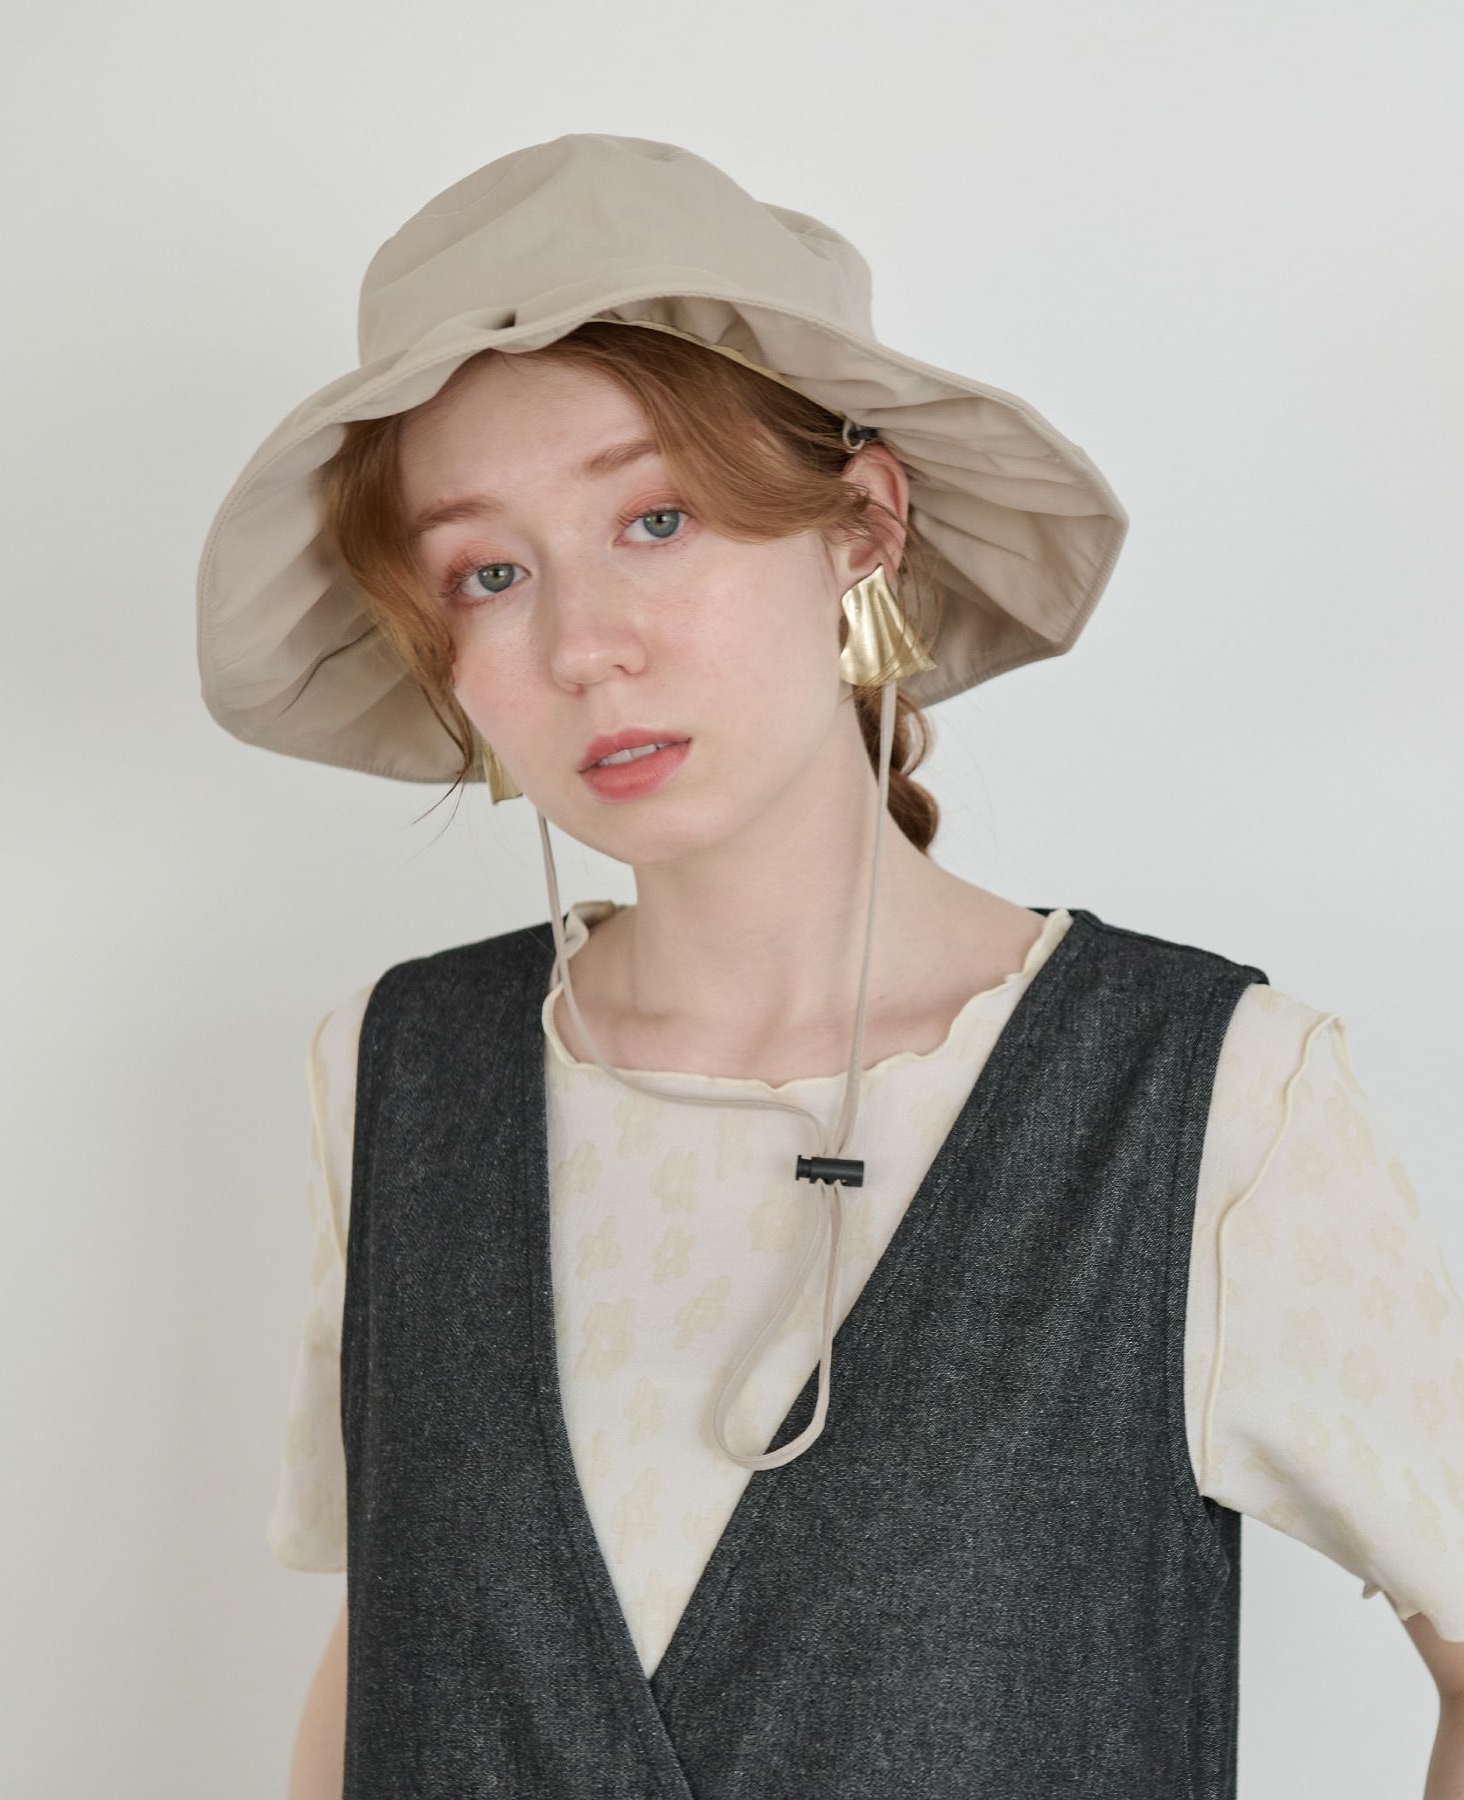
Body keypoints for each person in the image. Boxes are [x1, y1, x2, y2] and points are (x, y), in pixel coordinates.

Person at [197, 133, 1464, 1798]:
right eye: (491, 574)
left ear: (861, 523)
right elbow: (393, 1651)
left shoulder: (1212, 1100)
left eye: (656, 518)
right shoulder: (395, 1070)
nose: (584, 646)